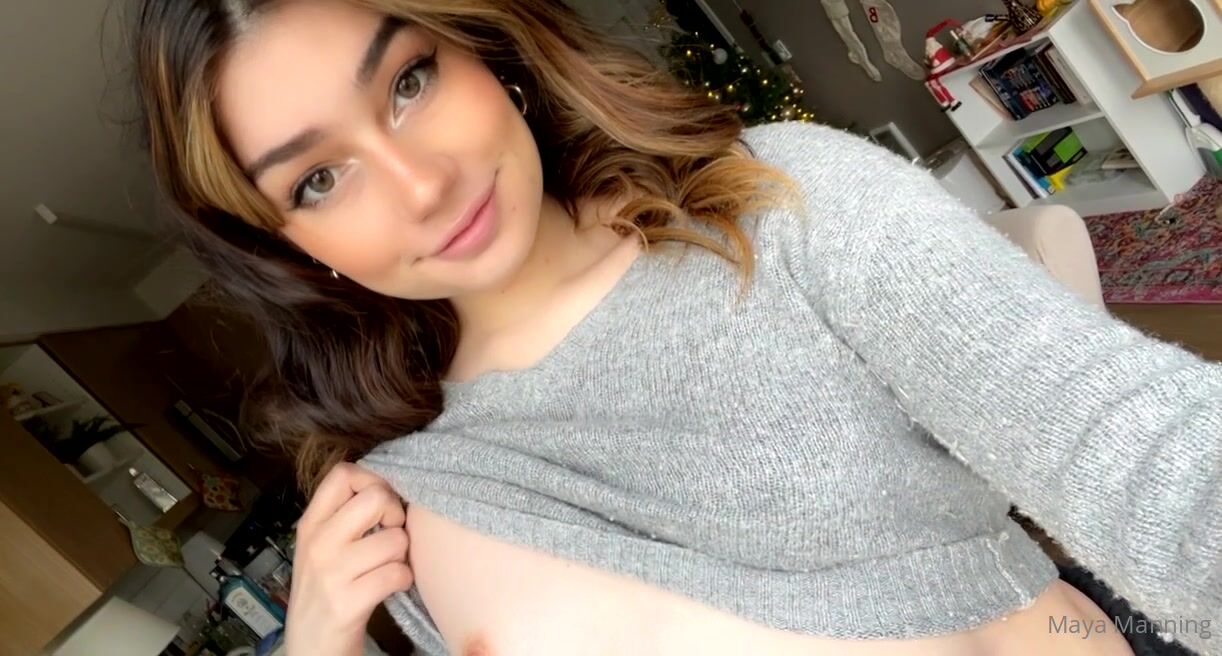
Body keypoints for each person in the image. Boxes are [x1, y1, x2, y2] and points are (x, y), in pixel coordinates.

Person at [130, 0, 1221, 655]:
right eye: (319, 179)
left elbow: (1151, 462)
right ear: (287, 244)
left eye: (409, 81)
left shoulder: (775, 203)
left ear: (484, 47)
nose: (421, 185)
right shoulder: (399, 499)